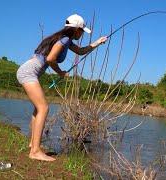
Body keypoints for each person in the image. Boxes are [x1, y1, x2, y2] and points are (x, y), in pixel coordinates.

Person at [16, 14, 107, 161]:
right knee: (44, 108)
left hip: (29, 71)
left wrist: (97, 43)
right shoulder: (64, 39)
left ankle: (33, 144)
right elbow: (50, 58)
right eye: (82, 31)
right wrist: (60, 73)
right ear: (77, 29)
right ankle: (35, 152)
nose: (82, 33)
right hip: (28, 73)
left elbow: (81, 51)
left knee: (37, 109)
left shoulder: (66, 40)